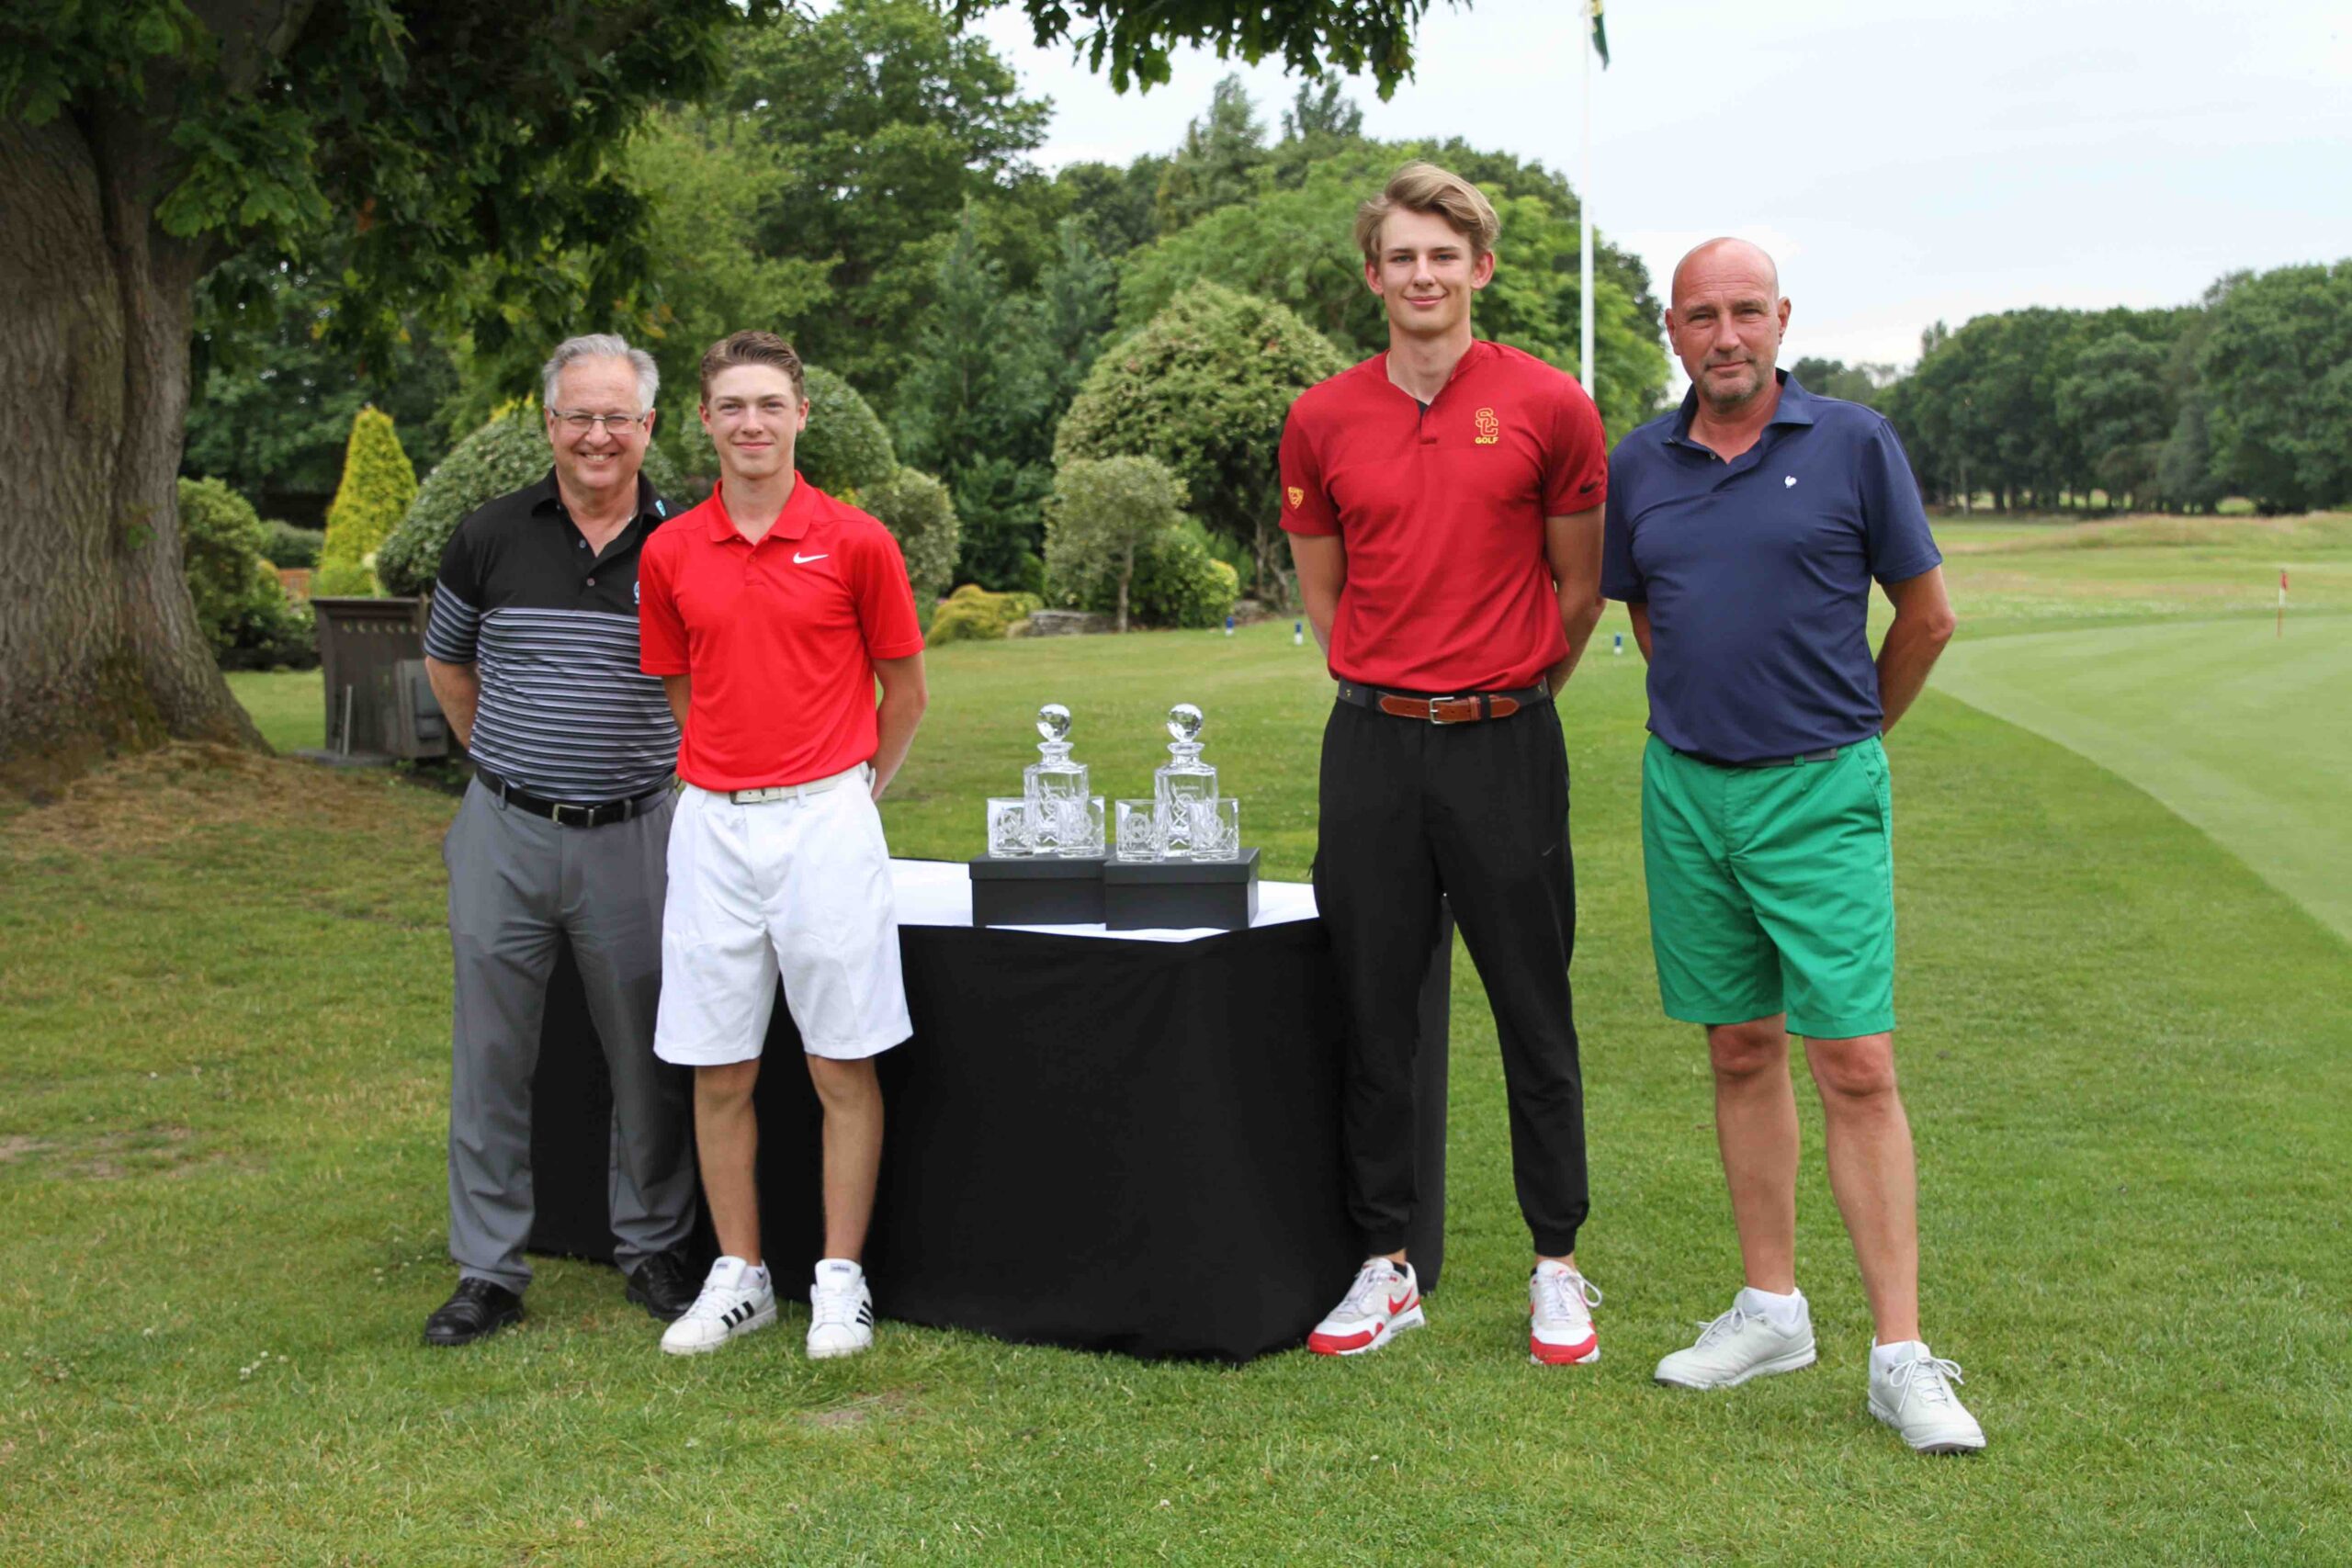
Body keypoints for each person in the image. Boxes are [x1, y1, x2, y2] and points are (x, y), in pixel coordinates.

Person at [1601, 237, 1983, 1453]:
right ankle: (1772, 1309)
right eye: (1703, 315)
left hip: (1819, 790)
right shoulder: (1639, 466)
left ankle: (1901, 1356)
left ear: (1782, 320)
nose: (1727, 335)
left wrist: (1846, 732)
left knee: (1857, 1062)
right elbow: (1655, 615)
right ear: (1672, 329)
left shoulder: (1855, 443)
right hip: (1688, 790)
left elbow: (1926, 617)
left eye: (1747, 312)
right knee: (1738, 1044)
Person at [1280, 163, 1610, 1363]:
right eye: (1402, 257)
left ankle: (1556, 1261)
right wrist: (1392, 686)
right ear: (1374, 275)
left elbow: (1579, 588)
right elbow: (1324, 593)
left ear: (1481, 267)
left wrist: (1508, 694)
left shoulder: (1551, 405)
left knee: (1534, 1007)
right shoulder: (1321, 417)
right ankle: (1386, 1258)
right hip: (1370, 744)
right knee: (1374, 1009)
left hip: (1506, 742)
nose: (1424, 275)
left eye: (1444, 254)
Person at [637, 330, 928, 1359]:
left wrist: (849, 792)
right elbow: (684, 692)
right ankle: (740, 1275)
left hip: (826, 819)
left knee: (839, 1059)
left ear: (801, 415)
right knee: (718, 1066)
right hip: (712, 823)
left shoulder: (856, 541)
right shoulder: (669, 552)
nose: (752, 422)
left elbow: (906, 693)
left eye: (770, 404)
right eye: (732, 406)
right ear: (705, 422)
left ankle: (838, 1279)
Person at [419, 333, 699, 1347]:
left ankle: (654, 1246)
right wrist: (504, 762)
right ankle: (488, 1270)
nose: (596, 435)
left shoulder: (686, 542)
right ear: (548, 424)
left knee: (648, 1053)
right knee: (490, 1056)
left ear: (648, 428)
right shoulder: (489, 534)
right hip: (505, 829)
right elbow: (449, 664)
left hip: (637, 833)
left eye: (616, 417)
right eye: (578, 415)